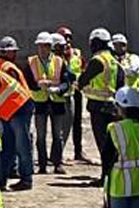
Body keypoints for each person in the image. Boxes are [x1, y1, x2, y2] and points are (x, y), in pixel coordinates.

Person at [0, 37, 35, 188]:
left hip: (9, 109)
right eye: (13, 51)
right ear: (7, 52)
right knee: (21, 144)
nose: (14, 54)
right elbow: (16, 90)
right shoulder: (9, 67)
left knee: (10, 144)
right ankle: (25, 178)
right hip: (17, 107)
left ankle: (3, 179)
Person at [77, 29, 120, 185]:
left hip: (99, 107)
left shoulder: (97, 60)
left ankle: (106, 177)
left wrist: (79, 82)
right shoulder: (114, 60)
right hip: (114, 106)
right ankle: (111, 175)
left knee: (103, 144)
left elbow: (83, 80)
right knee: (113, 143)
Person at [26, 32, 67, 174]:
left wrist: (58, 89)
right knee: (41, 135)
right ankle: (42, 165)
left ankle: (58, 164)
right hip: (40, 103)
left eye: (45, 46)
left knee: (57, 135)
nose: (42, 49)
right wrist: (38, 85)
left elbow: (67, 82)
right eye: (40, 46)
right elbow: (27, 82)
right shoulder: (31, 62)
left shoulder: (59, 61)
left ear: (50, 47)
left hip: (56, 102)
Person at [58, 26, 88, 162]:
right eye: (65, 37)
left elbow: (83, 68)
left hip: (76, 91)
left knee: (77, 122)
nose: (68, 40)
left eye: (69, 37)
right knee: (63, 123)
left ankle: (78, 151)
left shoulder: (76, 53)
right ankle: (59, 152)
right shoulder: (57, 55)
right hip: (64, 92)